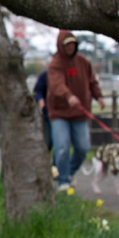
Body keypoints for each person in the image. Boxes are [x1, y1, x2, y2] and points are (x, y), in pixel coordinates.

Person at [47, 30, 104, 191]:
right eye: (67, 45)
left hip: (80, 113)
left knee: (83, 147)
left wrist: (98, 96)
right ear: (61, 46)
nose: (70, 47)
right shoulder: (55, 64)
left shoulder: (83, 62)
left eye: (73, 44)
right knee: (62, 147)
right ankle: (63, 180)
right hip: (59, 112)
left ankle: (69, 172)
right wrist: (68, 96)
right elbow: (57, 84)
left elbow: (92, 81)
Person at [33, 70, 52, 151]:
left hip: (64, 115)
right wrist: (40, 99)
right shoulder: (46, 75)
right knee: (47, 142)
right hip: (47, 114)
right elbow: (37, 91)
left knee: (61, 145)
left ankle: (56, 163)